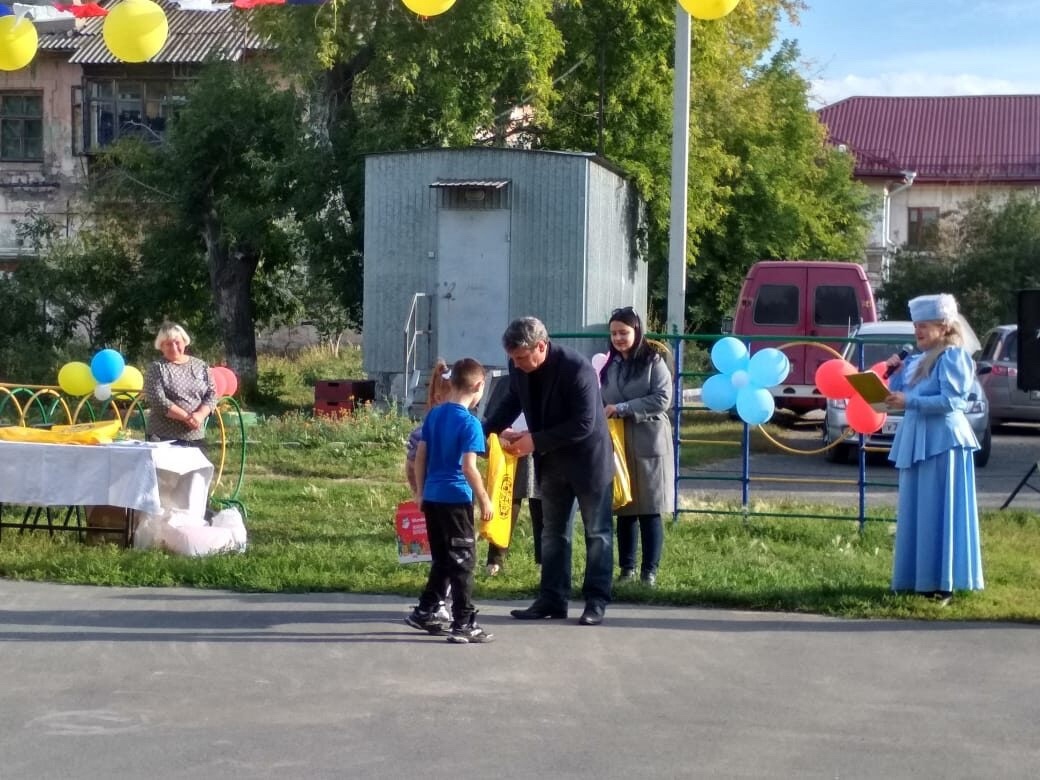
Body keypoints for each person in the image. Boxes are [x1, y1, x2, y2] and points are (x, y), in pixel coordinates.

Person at [483, 316, 614, 626]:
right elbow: (511, 401)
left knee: (598, 534)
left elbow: (584, 424)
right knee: (553, 533)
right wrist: (487, 432)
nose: (516, 363)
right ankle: (552, 599)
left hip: (588, 462)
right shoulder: (519, 368)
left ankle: (596, 601)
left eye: (521, 357)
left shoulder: (576, 368)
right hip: (551, 462)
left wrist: (533, 440)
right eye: (512, 358)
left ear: (540, 346)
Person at [884, 293, 983, 605]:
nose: (918, 332)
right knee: (917, 511)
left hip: (943, 443)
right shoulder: (914, 360)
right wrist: (892, 372)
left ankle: (943, 584)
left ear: (943, 326)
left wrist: (910, 401)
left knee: (940, 510)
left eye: (924, 326)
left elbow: (952, 401)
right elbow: (896, 395)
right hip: (916, 440)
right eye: (916, 326)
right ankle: (918, 578)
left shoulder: (952, 357)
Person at [406, 357, 495, 644]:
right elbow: (469, 467)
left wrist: (419, 492)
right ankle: (464, 622)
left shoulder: (434, 415)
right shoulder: (471, 424)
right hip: (456, 500)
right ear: (479, 386)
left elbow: (420, 456)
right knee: (463, 562)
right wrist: (484, 499)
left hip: (431, 496)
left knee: (443, 559)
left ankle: (426, 610)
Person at [599, 306, 674, 587]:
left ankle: (649, 573)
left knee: (650, 508)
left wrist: (623, 407)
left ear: (637, 332)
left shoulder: (654, 361)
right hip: (619, 443)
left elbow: (662, 399)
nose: (619, 338)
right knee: (625, 506)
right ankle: (626, 570)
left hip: (649, 440)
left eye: (624, 332)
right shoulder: (611, 365)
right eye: (614, 333)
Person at [404, 358, 453, 623]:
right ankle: (437, 601)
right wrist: (418, 493)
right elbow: (411, 465)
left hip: (451, 500)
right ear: (436, 398)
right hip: (437, 500)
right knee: (445, 554)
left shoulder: (464, 425)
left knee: (452, 553)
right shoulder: (423, 432)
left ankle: (445, 599)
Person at [481, 376, 543, 576]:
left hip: (539, 447)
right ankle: (495, 561)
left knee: (542, 505)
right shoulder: (505, 382)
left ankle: (544, 562)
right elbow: (491, 418)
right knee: (506, 501)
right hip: (509, 449)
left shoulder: (548, 381)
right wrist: (502, 432)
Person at [143, 322, 217, 448]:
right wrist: (187, 418)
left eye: (177, 342)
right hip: (163, 437)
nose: (174, 347)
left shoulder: (201, 366)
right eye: (168, 344)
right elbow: (157, 400)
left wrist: (200, 415)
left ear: (184, 341)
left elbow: (212, 394)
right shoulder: (157, 368)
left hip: (195, 436)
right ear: (161, 346)